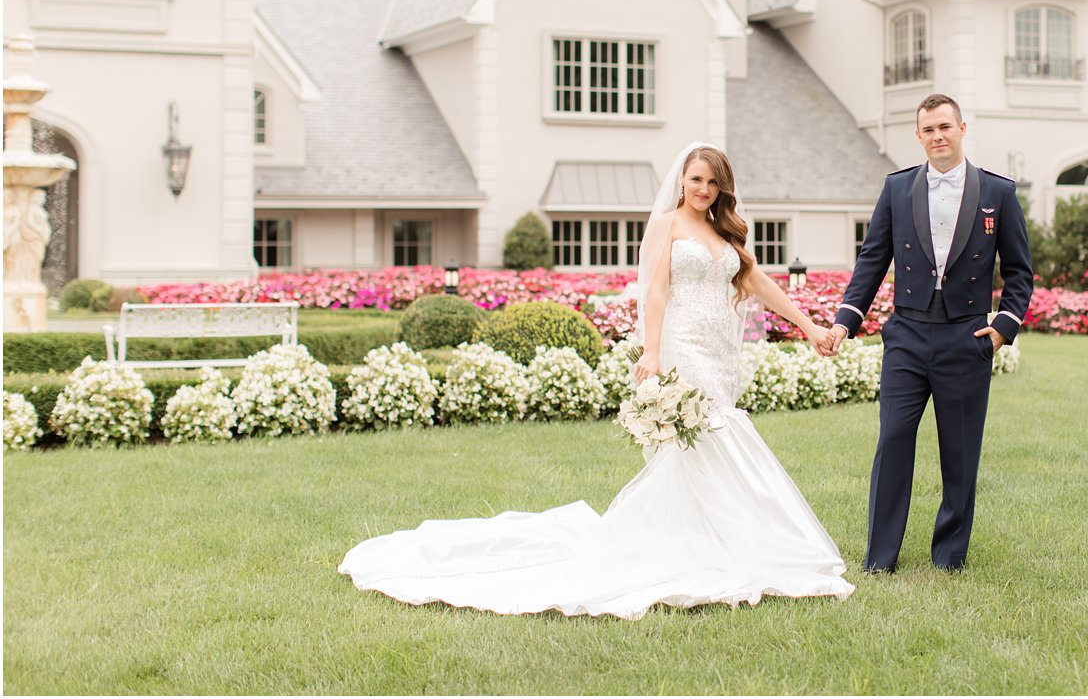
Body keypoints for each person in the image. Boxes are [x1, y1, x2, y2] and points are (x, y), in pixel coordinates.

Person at [339, 142, 854, 619]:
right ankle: (724, 542)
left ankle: (710, 535)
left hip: (720, 349)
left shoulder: (724, 233)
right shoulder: (668, 225)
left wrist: (808, 326)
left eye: (712, 184)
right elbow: (653, 292)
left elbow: (754, 281)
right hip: (683, 345)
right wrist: (652, 351)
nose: (702, 190)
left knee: (707, 440)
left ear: (722, 188)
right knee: (708, 437)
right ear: (681, 182)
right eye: (695, 180)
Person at [826, 93, 1033, 573]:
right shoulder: (898, 188)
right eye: (928, 130)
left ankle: (949, 556)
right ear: (918, 136)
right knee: (894, 439)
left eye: (945, 126)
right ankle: (880, 558)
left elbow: (1020, 271)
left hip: (968, 336)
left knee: (959, 451)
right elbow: (872, 259)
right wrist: (845, 319)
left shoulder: (997, 192)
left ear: (963, 128)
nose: (937, 136)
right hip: (908, 335)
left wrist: (1003, 327)